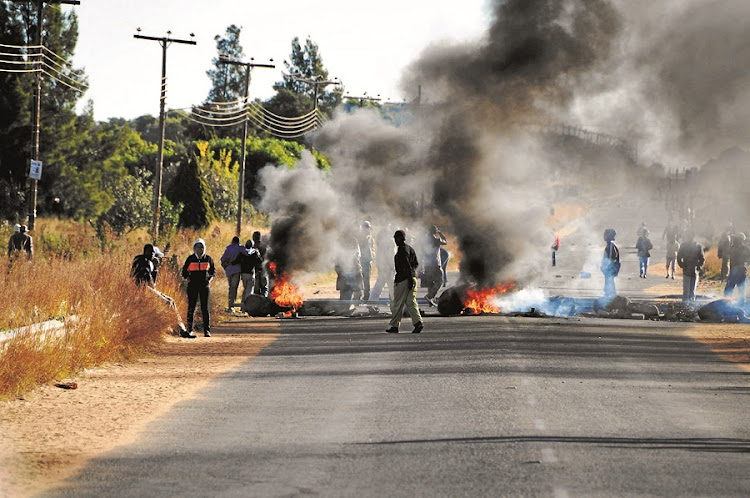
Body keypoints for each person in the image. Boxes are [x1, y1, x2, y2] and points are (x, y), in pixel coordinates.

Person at [132, 243, 188, 336]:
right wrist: (155, 269)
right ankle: (180, 329)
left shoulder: (137, 259)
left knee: (170, 300)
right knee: (169, 302)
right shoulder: (147, 262)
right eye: (153, 254)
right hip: (143, 289)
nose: (154, 257)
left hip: (138, 288)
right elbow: (152, 284)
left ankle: (178, 328)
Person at [386, 230, 423, 334]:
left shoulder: (402, 250)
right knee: (411, 302)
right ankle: (418, 323)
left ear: (398, 239)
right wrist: (412, 276)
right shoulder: (410, 249)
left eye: (396, 238)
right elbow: (415, 264)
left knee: (397, 303)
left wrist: (409, 279)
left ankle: (394, 326)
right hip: (412, 278)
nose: (395, 241)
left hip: (403, 279)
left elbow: (407, 265)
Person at [181, 239, 215, 338]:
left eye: (201, 247)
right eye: (197, 247)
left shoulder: (208, 259)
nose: (199, 249)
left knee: (205, 308)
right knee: (191, 307)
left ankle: (207, 331)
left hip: (204, 286)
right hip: (193, 286)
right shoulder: (190, 259)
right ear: (194, 248)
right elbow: (184, 271)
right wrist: (188, 279)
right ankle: (189, 329)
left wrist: (209, 280)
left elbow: (213, 271)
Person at [421, 225, 447, 307]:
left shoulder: (425, 240)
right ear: (435, 231)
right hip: (435, 264)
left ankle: (430, 301)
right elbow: (445, 242)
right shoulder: (436, 240)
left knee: (431, 283)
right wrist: (440, 233)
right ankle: (430, 296)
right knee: (440, 281)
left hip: (427, 264)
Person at [723, 233, 750, 308]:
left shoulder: (743, 249)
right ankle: (725, 305)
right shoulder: (735, 248)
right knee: (729, 290)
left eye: (736, 239)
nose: (734, 240)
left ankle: (740, 307)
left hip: (740, 273)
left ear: (740, 240)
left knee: (739, 291)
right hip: (735, 272)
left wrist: (745, 264)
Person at [676, 231, 704, 303]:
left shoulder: (697, 246)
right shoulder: (685, 246)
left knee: (691, 291)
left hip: (693, 271)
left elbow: (702, 259)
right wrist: (683, 265)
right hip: (688, 271)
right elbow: (679, 257)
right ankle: (686, 306)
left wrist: (699, 266)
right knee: (688, 292)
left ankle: (690, 306)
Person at [334, 236, 364, 301]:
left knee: (352, 289)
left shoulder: (353, 240)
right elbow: (358, 255)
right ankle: (345, 306)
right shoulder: (341, 241)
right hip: (345, 269)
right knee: (346, 289)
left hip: (350, 269)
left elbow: (357, 255)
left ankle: (346, 305)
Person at [369, 225, 394, 301]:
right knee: (393, 287)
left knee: (379, 285)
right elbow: (391, 256)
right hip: (389, 268)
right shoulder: (390, 242)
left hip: (382, 267)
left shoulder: (380, 242)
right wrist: (393, 267)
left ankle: (372, 301)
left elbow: (379, 256)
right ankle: (397, 304)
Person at [220, 236, 244, 312]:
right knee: (234, 287)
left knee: (230, 287)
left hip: (229, 270)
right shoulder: (240, 248)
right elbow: (247, 254)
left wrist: (225, 266)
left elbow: (222, 259)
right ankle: (232, 304)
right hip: (237, 270)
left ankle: (230, 305)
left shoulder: (228, 248)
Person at [357, 221, 375, 300]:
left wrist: (373, 255)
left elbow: (373, 248)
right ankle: (358, 295)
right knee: (359, 279)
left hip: (368, 261)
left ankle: (367, 295)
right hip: (360, 261)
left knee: (366, 279)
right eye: (366, 228)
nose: (368, 230)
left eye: (368, 228)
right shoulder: (359, 237)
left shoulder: (371, 238)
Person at [600, 228, 620, 299]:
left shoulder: (611, 245)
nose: (604, 236)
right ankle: (610, 294)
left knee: (609, 281)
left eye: (606, 234)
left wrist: (607, 266)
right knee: (609, 281)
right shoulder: (610, 245)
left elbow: (612, 257)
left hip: (610, 267)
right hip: (611, 267)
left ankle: (610, 295)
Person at [251, 231, 268, 296]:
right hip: (263, 269)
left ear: (253, 238)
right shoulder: (265, 247)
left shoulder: (252, 247)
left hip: (255, 269)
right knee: (264, 288)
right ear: (260, 238)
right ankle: (264, 302)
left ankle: (257, 304)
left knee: (256, 289)